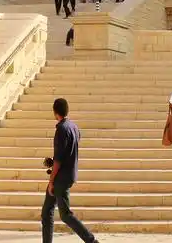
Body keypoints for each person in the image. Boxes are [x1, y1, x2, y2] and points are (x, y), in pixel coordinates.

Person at [42, 98, 97, 243]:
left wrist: (51, 180)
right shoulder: (74, 127)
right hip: (69, 174)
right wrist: (54, 163)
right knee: (47, 211)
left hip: (60, 178)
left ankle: (91, 241)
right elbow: (68, 151)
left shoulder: (61, 129)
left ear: (55, 112)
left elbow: (59, 159)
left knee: (65, 214)